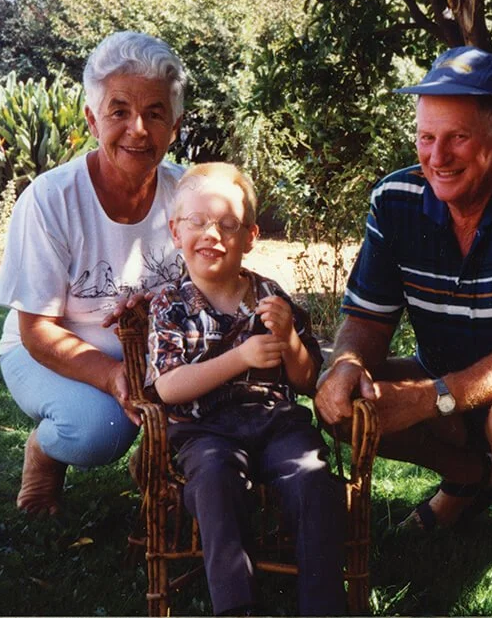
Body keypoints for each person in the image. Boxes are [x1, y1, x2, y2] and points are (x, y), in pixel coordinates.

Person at [314, 46, 492, 574]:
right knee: (339, 400)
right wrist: (348, 365)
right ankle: (469, 479)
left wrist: (427, 400)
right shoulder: (395, 198)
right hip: (445, 373)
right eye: (427, 137)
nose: (438, 156)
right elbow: (366, 319)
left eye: (458, 137)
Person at [0, 31, 188, 516]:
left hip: (159, 357)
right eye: (119, 110)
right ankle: (44, 453)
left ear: (176, 126)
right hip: (48, 352)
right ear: (92, 119)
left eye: (155, 113)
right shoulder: (50, 198)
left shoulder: (189, 194)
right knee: (97, 431)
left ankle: (157, 470)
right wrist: (114, 375)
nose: (138, 129)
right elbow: (37, 331)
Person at [145, 163, 346, 616]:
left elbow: (306, 380)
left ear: (251, 236)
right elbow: (169, 387)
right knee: (214, 481)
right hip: (203, 429)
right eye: (196, 222)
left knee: (313, 480)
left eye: (227, 224)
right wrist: (239, 358)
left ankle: (324, 605)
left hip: (275, 421)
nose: (210, 234)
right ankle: (237, 606)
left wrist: (291, 340)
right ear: (176, 232)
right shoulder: (169, 304)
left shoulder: (271, 295)